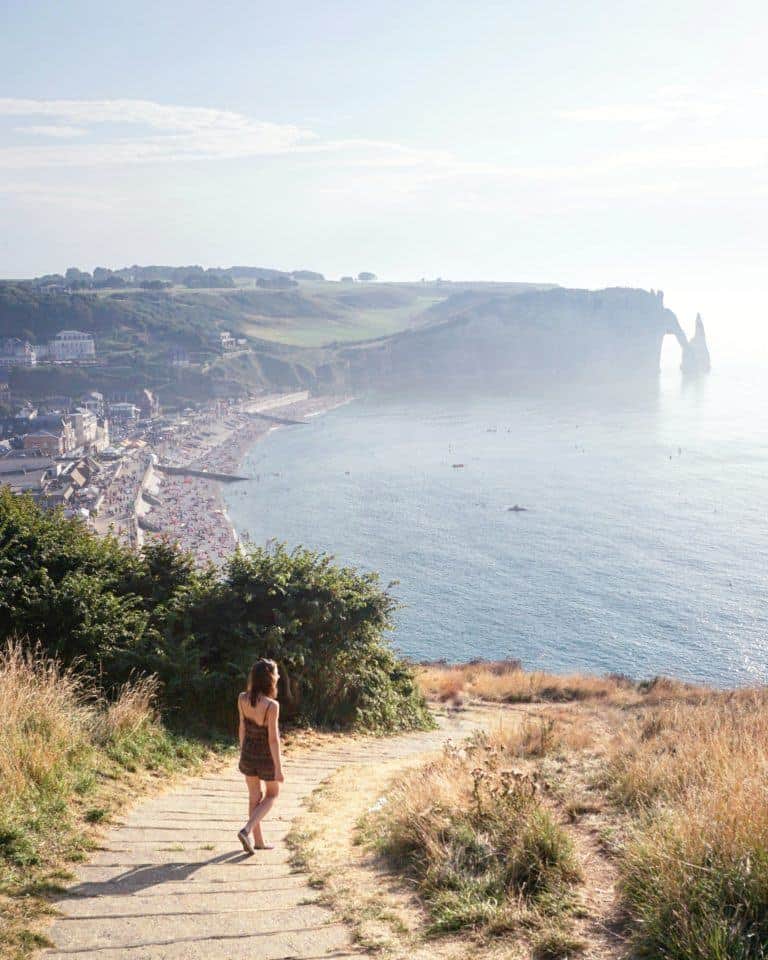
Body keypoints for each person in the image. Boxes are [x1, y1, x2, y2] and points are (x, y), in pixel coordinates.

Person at [236, 658, 284, 854]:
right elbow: (273, 740)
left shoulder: (242, 698)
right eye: (276, 674)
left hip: (248, 753)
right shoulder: (272, 706)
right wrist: (279, 769)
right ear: (270, 679)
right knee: (273, 794)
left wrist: (243, 752)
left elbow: (241, 728)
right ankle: (246, 830)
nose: (278, 676)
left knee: (254, 797)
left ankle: (258, 842)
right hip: (266, 757)